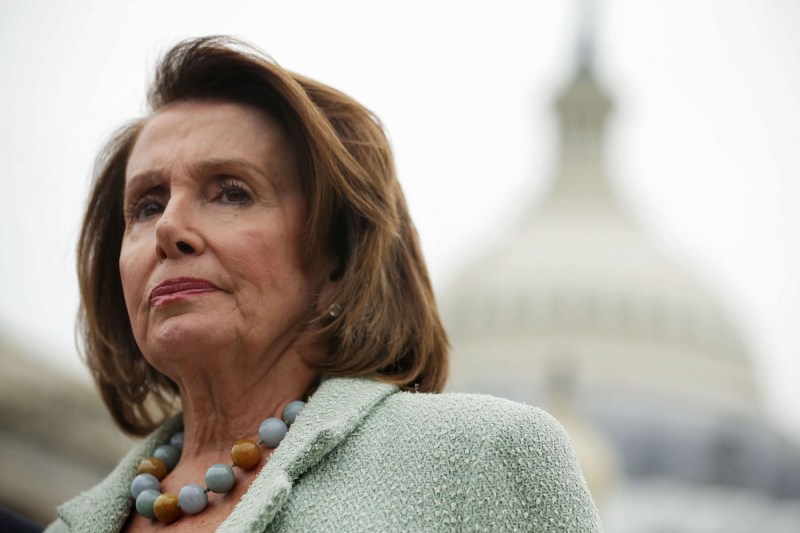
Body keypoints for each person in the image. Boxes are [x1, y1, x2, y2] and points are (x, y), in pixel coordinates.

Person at [45, 36, 601, 532]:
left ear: (337, 257)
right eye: (146, 204)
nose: (169, 228)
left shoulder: (482, 462)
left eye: (231, 191)